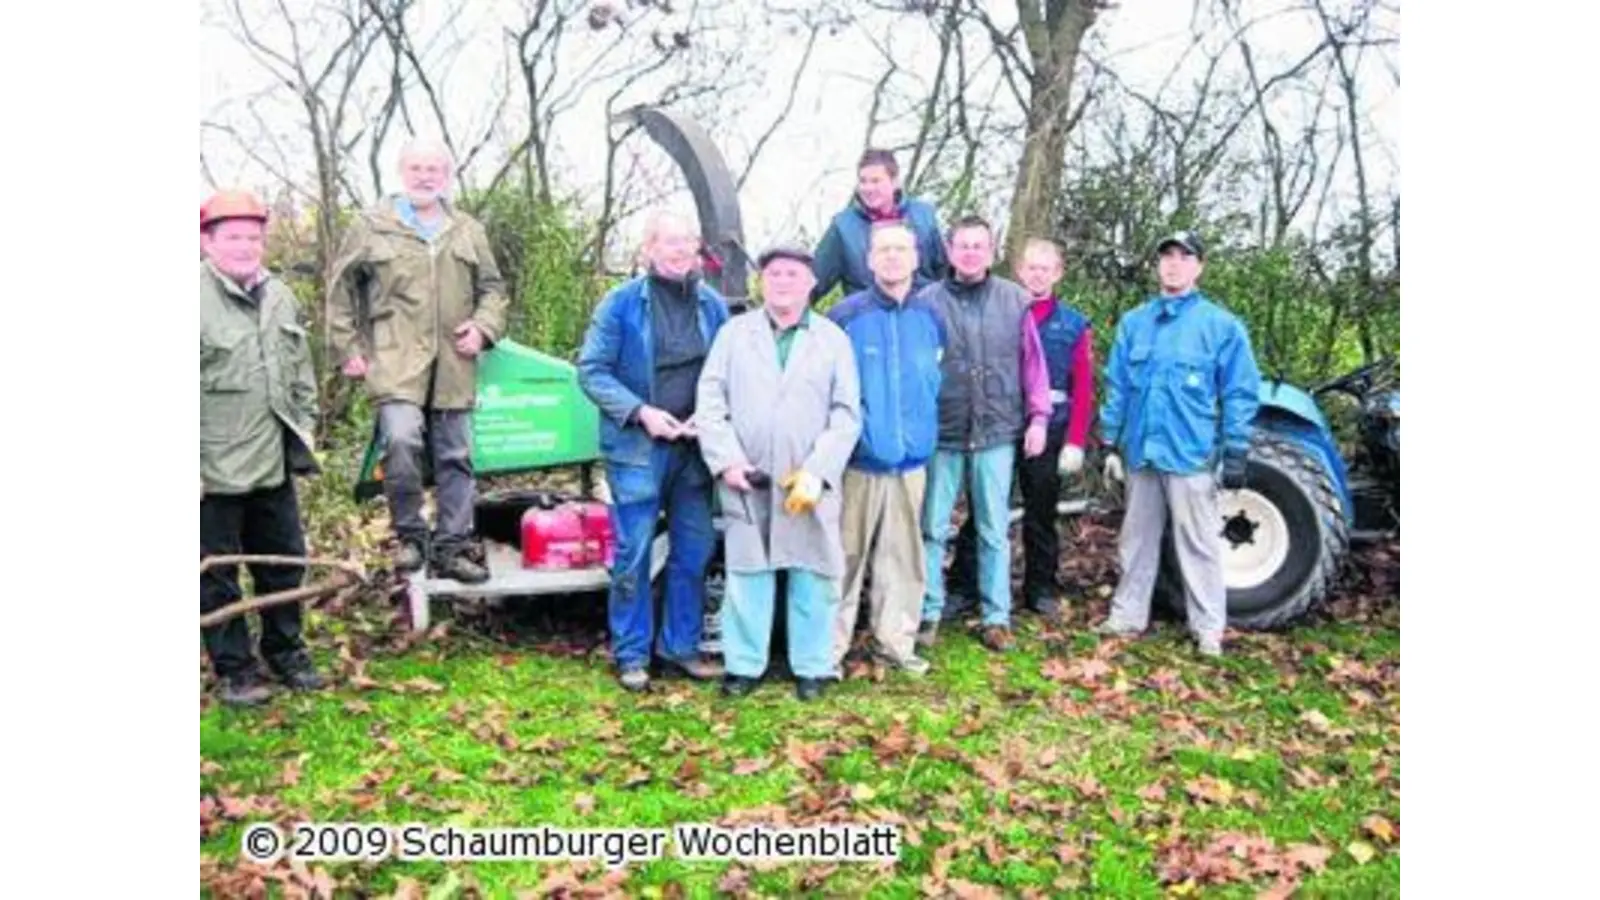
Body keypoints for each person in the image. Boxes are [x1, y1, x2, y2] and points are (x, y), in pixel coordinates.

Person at [326, 138, 510, 584]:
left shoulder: (467, 229)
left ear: (446, 175)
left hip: (453, 359)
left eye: (433, 169)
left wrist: (483, 328)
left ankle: (452, 545)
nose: (425, 176)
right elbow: (339, 289)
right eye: (416, 168)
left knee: (456, 455)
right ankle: (410, 536)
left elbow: (494, 289)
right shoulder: (372, 226)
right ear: (402, 171)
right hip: (394, 357)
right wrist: (348, 348)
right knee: (403, 442)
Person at [694, 242, 862, 701]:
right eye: (773, 275)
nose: (783, 282)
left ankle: (812, 666)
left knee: (813, 569)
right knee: (748, 571)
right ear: (760, 283)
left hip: (808, 481)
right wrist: (726, 461)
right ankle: (745, 665)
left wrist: (819, 470)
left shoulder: (832, 340)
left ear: (810, 284)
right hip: (747, 477)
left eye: (792, 274)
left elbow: (847, 414)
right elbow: (710, 403)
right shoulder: (734, 335)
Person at [577, 210, 729, 692]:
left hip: (694, 448)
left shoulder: (712, 307)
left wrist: (711, 416)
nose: (680, 250)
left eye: (687, 241)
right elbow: (592, 371)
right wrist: (642, 412)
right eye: (669, 242)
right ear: (648, 248)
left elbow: (728, 372)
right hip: (639, 448)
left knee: (695, 549)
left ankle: (678, 647)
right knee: (634, 551)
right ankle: (631, 653)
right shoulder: (620, 305)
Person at [1096, 230, 1263, 657]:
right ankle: (1127, 615)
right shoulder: (1135, 323)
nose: (1173, 264)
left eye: (1184, 257)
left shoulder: (1220, 326)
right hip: (1141, 451)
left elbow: (1240, 391)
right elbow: (1118, 386)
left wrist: (1237, 448)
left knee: (1199, 542)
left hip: (1190, 454)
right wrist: (1109, 440)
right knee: (1136, 538)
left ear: (1199, 267)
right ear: (1158, 265)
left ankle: (1208, 627)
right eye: (1166, 256)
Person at [199, 190, 325, 706]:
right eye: (233, 237)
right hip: (211, 471)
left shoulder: (281, 296)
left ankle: (286, 650)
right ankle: (236, 669)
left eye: (254, 237)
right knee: (216, 574)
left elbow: (300, 372)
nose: (246, 246)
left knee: (284, 562)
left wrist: (308, 421)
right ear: (206, 242)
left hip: (274, 462)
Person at [916, 216, 1052, 653]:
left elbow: (1034, 366)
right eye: (963, 245)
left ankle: (997, 617)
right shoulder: (927, 301)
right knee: (933, 528)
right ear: (950, 251)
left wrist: (1039, 418)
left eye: (979, 245)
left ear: (991, 251)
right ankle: (928, 612)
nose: (971, 252)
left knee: (994, 528)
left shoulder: (1015, 301)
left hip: (996, 430)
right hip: (943, 431)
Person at [945, 237, 1095, 619]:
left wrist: (1075, 441)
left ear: (1058, 273)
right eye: (1031, 267)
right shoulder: (1000, 312)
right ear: (1018, 270)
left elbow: (1083, 386)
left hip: (1050, 428)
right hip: (1001, 423)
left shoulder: (1073, 324)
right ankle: (964, 587)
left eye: (1046, 268)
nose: (1037, 275)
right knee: (984, 508)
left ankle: (1040, 588)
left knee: (1040, 511)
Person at [827, 221, 946, 677]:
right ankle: (830, 650)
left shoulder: (931, 317)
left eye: (902, 249)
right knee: (844, 559)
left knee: (902, 559)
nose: (893, 258)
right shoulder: (845, 317)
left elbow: (935, 380)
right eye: (884, 250)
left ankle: (895, 643)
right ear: (870, 260)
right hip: (858, 462)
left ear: (916, 258)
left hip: (911, 462)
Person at [810, 149, 948, 300]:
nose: (868, 188)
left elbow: (946, 274)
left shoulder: (924, 216)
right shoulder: (843, 227)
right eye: (863, 181)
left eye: (876, 181)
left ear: (895, 182)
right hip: (866, 315)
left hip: (920, 312)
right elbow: (812, 284)